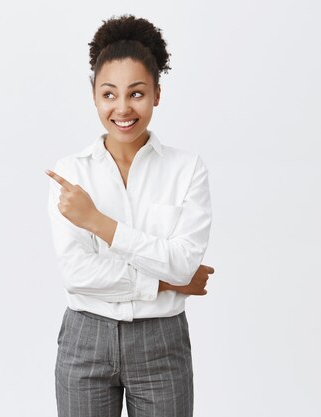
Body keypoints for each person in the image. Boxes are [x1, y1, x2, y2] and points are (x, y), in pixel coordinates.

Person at [44, 15, 214, 417]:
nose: (122, 108)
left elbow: (185, 261)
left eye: (136, 93)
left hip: (161, 343)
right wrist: (166, 283)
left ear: (157, 93)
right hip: (85, 337)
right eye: (109, 94)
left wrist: (98, 223)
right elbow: (77, 274)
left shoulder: (187, 169)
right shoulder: (70, 173)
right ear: (94, 96)